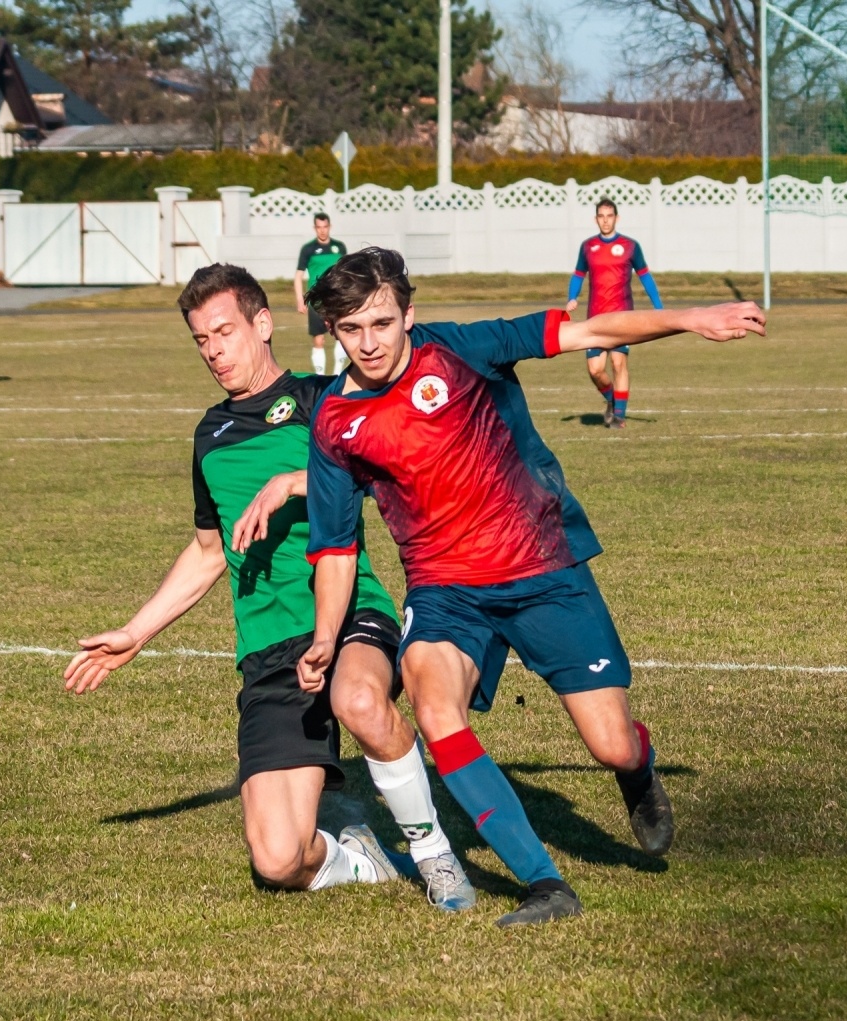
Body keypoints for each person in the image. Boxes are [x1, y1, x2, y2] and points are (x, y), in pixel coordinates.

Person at [295, 248, 763, 926]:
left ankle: (638, 765)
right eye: (351, 329)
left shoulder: (463, 349)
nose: (368, 343)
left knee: (609, 743)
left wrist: (691, 318)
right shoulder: (337, 421)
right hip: (446, 589)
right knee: (433, 704)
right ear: (334, 331)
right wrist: (323, 637)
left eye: (381, 322)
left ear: (408, 313)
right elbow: (336, 548)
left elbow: (589, 332)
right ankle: (545, 884)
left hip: (542, 565)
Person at [64, 262, 475, 911]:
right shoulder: (211, 436)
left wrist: (292, 481)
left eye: (224, 331)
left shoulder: (323, 400)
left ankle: (434, 854)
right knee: (278, 859)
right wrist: (135, 633)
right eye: (202, 339)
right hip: (268, 650)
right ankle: (363, 860)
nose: (214, 350)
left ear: (262, 323)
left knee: (362, 701)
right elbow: (208, 552)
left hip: (345, 616)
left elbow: (391, 463)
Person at [566, 198, 663, 428]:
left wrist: (659, 307)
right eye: (601, 216)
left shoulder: (630, 246)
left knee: (619, 364)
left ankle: (618, 416)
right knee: (595, 370)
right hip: (596, 318)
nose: (605, 220)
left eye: (610, 216)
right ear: (596, 219)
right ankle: (612, 399)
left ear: (616, 218)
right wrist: (572, 297)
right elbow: (579, 274)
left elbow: (645, 275)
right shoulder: (587, 247)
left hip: (622, 317)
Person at [295, 213, 347, 375]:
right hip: (316, 300)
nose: (322, 231)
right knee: (319, 339)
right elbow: (298, 276)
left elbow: (346, 272)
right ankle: (320, 377)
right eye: (319, 227)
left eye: (325, 227)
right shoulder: (308, 249)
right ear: (315, 228)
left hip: (336, 298)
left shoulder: (339, 247)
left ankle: (337, 373)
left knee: (342, 334)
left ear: (329, 227)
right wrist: (300, 299)